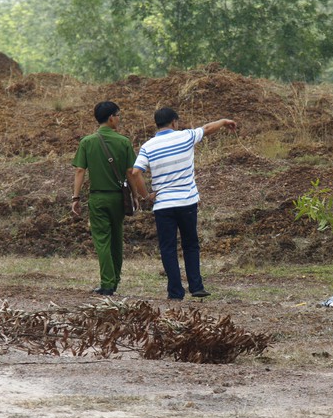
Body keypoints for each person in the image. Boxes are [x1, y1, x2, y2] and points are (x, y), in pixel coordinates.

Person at [130, 107, 237, 300]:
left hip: (163, 205)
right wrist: (223, 121)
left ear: (157, 124)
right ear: (173, 122)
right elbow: (207, 128)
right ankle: (196, 287)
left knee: (168, 248)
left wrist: (146, 195)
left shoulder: (148, 146)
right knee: (190, 244)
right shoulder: (186, 136)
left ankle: (175, 292)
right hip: (187, 202)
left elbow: (136, 172)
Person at [71, 101, 137, 295]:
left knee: (102, 240)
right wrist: (134, 195)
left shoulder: (87, 142)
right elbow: (130, 172)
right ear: (110, 118)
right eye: (118, 115)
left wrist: (76, 197)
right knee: (117, 238)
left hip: (98, 199)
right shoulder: (123, 142)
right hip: (118, 198)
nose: (119, 119)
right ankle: (115, 279)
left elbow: (80, 170)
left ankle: (107, 283)